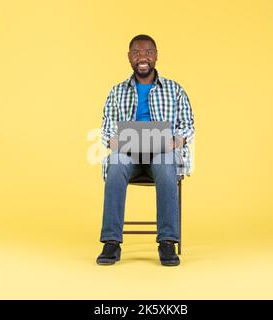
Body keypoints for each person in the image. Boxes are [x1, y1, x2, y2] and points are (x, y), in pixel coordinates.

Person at [97, 34, 195, 266]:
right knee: (116, 163)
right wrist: (116, 141)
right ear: (129, 57)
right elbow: (106, 129)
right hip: (127, 152)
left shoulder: (175, 90)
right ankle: (111, 242)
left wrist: (174, 141)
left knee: (165, 165)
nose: (143, 57)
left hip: (163, 151)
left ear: (156, 56)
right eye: (137, 53)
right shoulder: (116, 91)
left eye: (148, 52)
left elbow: (188, 125)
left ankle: (167, 242)